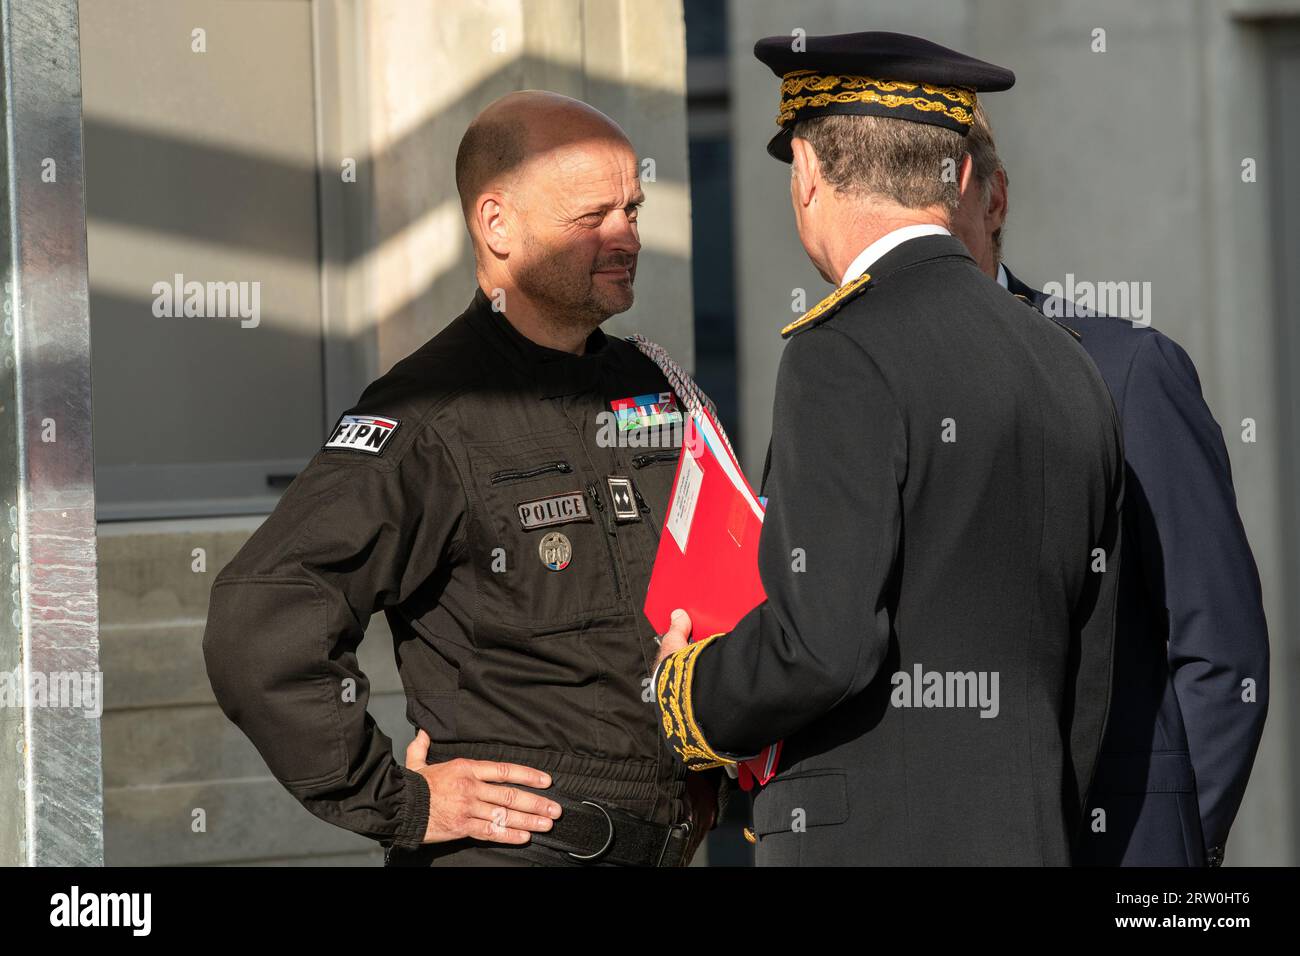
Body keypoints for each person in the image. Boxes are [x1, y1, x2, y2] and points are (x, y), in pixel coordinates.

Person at [202, 90, 724, 867]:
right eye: (593, 218)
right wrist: (400, 801)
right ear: (496, 224)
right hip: (518, 848)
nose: (627, 237)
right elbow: (261, 623)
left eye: (634, 210)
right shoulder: (431, 412)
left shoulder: (654, 385)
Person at [652, 31, 1125, 865]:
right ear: (965, 176)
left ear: (804, 174)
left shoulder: (841, 348)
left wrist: (683, 691)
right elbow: (1089, 674)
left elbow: (819, 646)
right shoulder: (1068, 363)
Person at [950, 104, 1270, 867]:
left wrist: (1171, 847)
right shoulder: (840, 388)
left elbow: (1219, 648)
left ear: (992, 201)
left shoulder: (1124, 369)